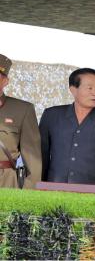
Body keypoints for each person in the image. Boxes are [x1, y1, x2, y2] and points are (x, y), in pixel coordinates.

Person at [40, 68, 95, 186]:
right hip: (55, 189)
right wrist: (39, 185)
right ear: (73, 90)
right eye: (90, 88)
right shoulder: (52, 115)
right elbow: (41, 155)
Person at [0, 53, 42, 188]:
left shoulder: (23, 109)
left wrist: (29, 192)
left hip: (5, 182)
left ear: (5, 81)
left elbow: (32, 158)